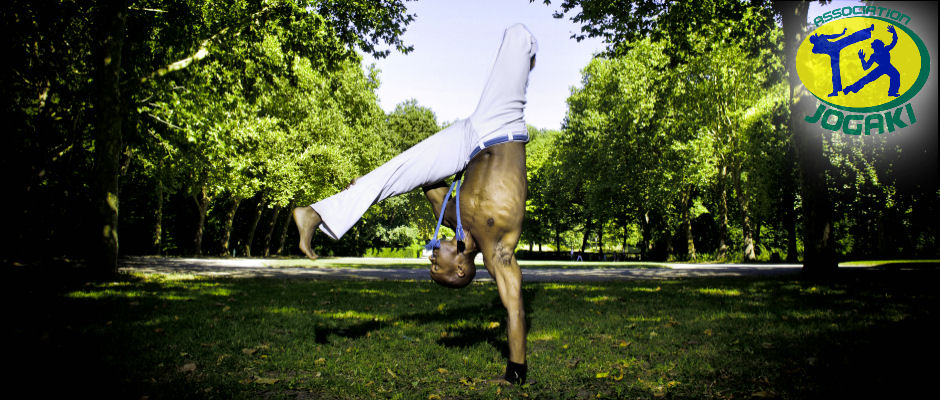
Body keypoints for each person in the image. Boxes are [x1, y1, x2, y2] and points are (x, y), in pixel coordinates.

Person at [292, 23, 537, 384]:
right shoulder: (499, 250)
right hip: (502, 126)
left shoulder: (451, 219)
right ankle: (529, 57)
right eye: (437, 266)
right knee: (518, 35)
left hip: (466, 142)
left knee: (399, 169)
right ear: (459, 270)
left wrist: (381, 182)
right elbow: (514, 308)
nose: (432, 257)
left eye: (431, 264)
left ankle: (315, 213)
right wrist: (515, 371)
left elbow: (425, 179)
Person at [808, 24, 875, 97]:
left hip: (835, 46)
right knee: (835, 72)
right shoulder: (816, 46)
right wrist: (822, 48)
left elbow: (832, 36)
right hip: (834, 52)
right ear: (814, 41)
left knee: (850, 38)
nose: (816, 39)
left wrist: (841, 34)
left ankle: (868, 31)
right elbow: (816, 50)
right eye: (814, 39)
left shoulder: (821, 38)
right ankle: (836, 90)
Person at [843, 25, 901, 97]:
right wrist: (862, 59)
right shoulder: (878, 53)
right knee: (866, 79)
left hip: (887, 67)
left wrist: (894, 33)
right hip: (883, 68)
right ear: (878, 46)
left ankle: (892, 92)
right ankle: (850, 88)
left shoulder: (882, 51)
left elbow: (894, 42)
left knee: (895, 75)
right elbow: (866, 67)